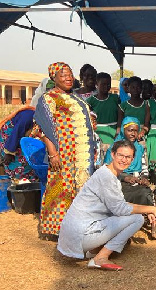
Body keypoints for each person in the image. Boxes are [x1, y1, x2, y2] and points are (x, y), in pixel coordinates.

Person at [57, 140, 156, 271]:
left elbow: (118, 204)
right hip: (80, 236)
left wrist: (147, 210)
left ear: (133, 159)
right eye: (120, 155)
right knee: (137, 219)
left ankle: (94, 250)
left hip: (77, 235)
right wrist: (151, 208)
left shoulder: (109, 173)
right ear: (112, 155)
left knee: (134, 215)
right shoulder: (106, 176)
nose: (124, 160)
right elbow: (120, 209)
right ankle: (100, 258)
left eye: (128, 157)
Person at [33, 62, 95, 239]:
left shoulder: (75, 97)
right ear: (54, 78)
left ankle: (75, 227)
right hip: (63, 154)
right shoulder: (49, 98)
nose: (68, 78)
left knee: (78, 189)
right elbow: (41, 128)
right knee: (60, 188)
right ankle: (55, 229)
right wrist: (53, 153)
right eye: (63, 76)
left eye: (70, 75)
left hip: (80, 155)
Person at [104, 117, 153, 206]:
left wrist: (144, 177)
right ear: (123, 130)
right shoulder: (114, 149)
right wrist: (124, 178)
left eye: (136, 131)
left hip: (136, 180)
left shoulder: (139, 148)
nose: (133, 134)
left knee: (146, 192)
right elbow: (107, 170)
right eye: (130, 130)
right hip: (118, 181)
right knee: (140, 194)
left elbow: (144, 167)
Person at [0, 106, 38, 181]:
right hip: (10, 138)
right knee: (15, 162)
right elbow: (17, 132)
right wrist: (9, 152)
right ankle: (18, 183)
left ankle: (27, 181)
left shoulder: (38, 117)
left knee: (27, 160)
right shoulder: (28, 116)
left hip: (19, 138)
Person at [87, 72, 120, 145]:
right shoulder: (90, 101)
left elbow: (120, 116)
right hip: (98, 132)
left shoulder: (115, 98)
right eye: (103, 84)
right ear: (96, 84)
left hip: (113, 132)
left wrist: (118, 131)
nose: (106, 86)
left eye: (108, 84)